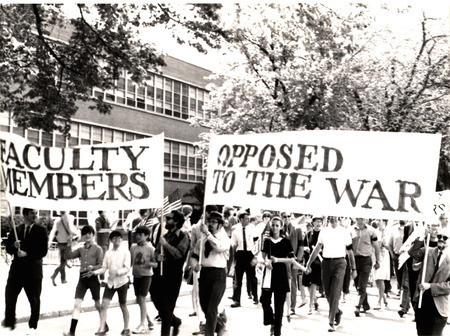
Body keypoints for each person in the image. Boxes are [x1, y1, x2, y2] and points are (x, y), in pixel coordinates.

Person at [306, 216, 357, 332]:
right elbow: (317, 248)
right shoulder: (324, 231)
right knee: (328, 293)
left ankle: (331, 321)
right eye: (331, 217)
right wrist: (309, 263)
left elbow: (349, 251)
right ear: (328, 219)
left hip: (340, 263)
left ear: (338, 218)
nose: (333, 219)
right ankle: (337, 311)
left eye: (335, 217)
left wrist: (354, 268)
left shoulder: (344, 232)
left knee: (335, 292)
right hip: (326, 263)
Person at [3, 208, 48, 335]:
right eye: (32, 213)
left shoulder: (41, 231)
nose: (35, 215)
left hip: (33, 272)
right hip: (16, 271)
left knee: (34, 300)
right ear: (25, 215)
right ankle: (10, 322)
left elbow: (43, 251)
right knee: (9, 296)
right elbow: (8, 249)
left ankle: (33, 326)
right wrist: (14, 246)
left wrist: (27, 253)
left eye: (36, 213)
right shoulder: (16, 230)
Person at [260, 216, 306, 336]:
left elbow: (291, 259)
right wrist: (266, 262)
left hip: (281, 274)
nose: (275, 227)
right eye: (273, 225)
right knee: (264, 300)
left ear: (281, 227)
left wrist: (277, 260)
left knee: (279, 306)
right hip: (269, 274)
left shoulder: (285, 241)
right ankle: (272, 320)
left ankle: (277, 332)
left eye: (277, 225)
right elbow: (262, 256)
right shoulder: (267, 240)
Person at [150, 210, 190, 336]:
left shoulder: (183, 237)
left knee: (167, 308)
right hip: (159, 274)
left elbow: (179, 254)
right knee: (156, 299)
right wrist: (157, 257)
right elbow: (156, 252)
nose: (166, 220)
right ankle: (175, 321)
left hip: (173, 276)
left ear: (176, 221)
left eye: (169, 218)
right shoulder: (165, 236)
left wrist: (166, 245)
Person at [191, 211, 230, 336]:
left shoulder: (225, 239)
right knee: (204, 306)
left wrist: (207, 233)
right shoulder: (201, 241)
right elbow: (194, 255)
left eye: (214, 222)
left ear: (220, 225)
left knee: (212, 308)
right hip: (205, 274)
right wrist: (194, 265)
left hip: (218, 274)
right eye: (209, 222)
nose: (211, 224)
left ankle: (209, 334)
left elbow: (218, 247)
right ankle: (219, 325)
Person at [63, 225, 104, 336]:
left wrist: (93, 268)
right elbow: (68, 255)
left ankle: (104, 325)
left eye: (89, 233)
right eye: (85, 234)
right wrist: (69, 243)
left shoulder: (98, 249)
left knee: (97, 304)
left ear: (93, 234)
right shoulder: (81, 249)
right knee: (77, 304)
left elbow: (101, 265)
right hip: (82, 278)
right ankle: (72, 331)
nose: (87, 236)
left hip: (93, 278)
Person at [410, 226, 450, 336]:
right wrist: (422, 236)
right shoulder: (428, 251)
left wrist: (431, 286)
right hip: (423, 301)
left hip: (439, 306)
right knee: (422, 333)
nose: (441, 239)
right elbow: (412, 253)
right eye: (439, 236)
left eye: (445, 237)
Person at [92, 230, 131, 336]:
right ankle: (102, 328)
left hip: (122, 282)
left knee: (123, 305)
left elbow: (127, 268)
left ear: (122, 239)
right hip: (110, 283)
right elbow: (104, 267)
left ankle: (126, 328)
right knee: (104, 305)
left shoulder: (125, 252)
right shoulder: (108, 253)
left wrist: (118, 272)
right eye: (114, 238)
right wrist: (95, 272)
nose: (117, 240)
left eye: (119, 238)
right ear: (110, 240)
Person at [130, 226, 157, 334]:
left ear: (147, 236)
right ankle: (149, 320)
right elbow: (129, 262)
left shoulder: (151, 248)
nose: (138, 237)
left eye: (140, 235)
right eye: (137, 234)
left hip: (146, 276)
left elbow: (155, 264)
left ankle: (142, 324)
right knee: (139, 300)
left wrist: (146, 263)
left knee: (142, 298)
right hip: (136, 276)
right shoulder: (133, 247)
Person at [351, 217, 380, 316]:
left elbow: (376, 246)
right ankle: (365, 304)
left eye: (364, 218)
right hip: (354, 260)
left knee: (362, 285)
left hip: (366, 260)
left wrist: (377, 260)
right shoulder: (351, 230)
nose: (362, 219)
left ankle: (357, 307)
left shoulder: (371, 231)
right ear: (356, 219)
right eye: (360, 218)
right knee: (357, 284)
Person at [230, 210, 258, 307]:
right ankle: (237, 300)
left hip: (250, 254)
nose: (248, 220)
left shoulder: (252, 229)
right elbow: (234, 245)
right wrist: (234, 259)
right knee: (238, 279)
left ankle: (255, 296)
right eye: (246, 219)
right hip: (240, 254)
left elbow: (257, 243)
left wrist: (255, 257)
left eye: (249, 219)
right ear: (240, 219)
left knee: (252, 277)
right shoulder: (235, 231)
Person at [281, 212, 305, 315]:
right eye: (284, 216)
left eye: (288, 216)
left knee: (293, 284)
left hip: (293, 260)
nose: (286, 218)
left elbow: (301, 246)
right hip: (281, 261)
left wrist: (298, 260)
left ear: (291, 217)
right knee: (281, 284)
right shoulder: (277, 228)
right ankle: (281, 306)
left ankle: (292, 307)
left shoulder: (297, 229)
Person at [48, 211, 79, 286]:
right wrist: (78, 232)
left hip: (59, 243)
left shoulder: (57, 220)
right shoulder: (70, 217)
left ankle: (63, 279)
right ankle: (54, 275)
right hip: (67, 243)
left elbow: (53, 231)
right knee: (63, 262)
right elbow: (72, 230)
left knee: (62, 261)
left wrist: (49, 242)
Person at [302, 217, 323, 314]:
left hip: (318, 262)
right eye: (317, 221)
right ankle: (315, 300)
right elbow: (304, 245)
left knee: (314, 283)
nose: (319, 223)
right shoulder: (308, 233)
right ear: (313, 222)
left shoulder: (323, 233)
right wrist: (306, 249)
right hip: (308, 261)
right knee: (306, 284)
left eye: (320, 221)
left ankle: (310, 306)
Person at [372, 220, 390, 310]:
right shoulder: (374, 231)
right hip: (375, 256)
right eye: (379, 221)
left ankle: (379, 302)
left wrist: (385, 245)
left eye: (382, 221)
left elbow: (390, 247)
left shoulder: (388, 232)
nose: (380, 222)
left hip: (384, 257)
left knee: (381, 279)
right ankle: (384, 297)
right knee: (376, 280)